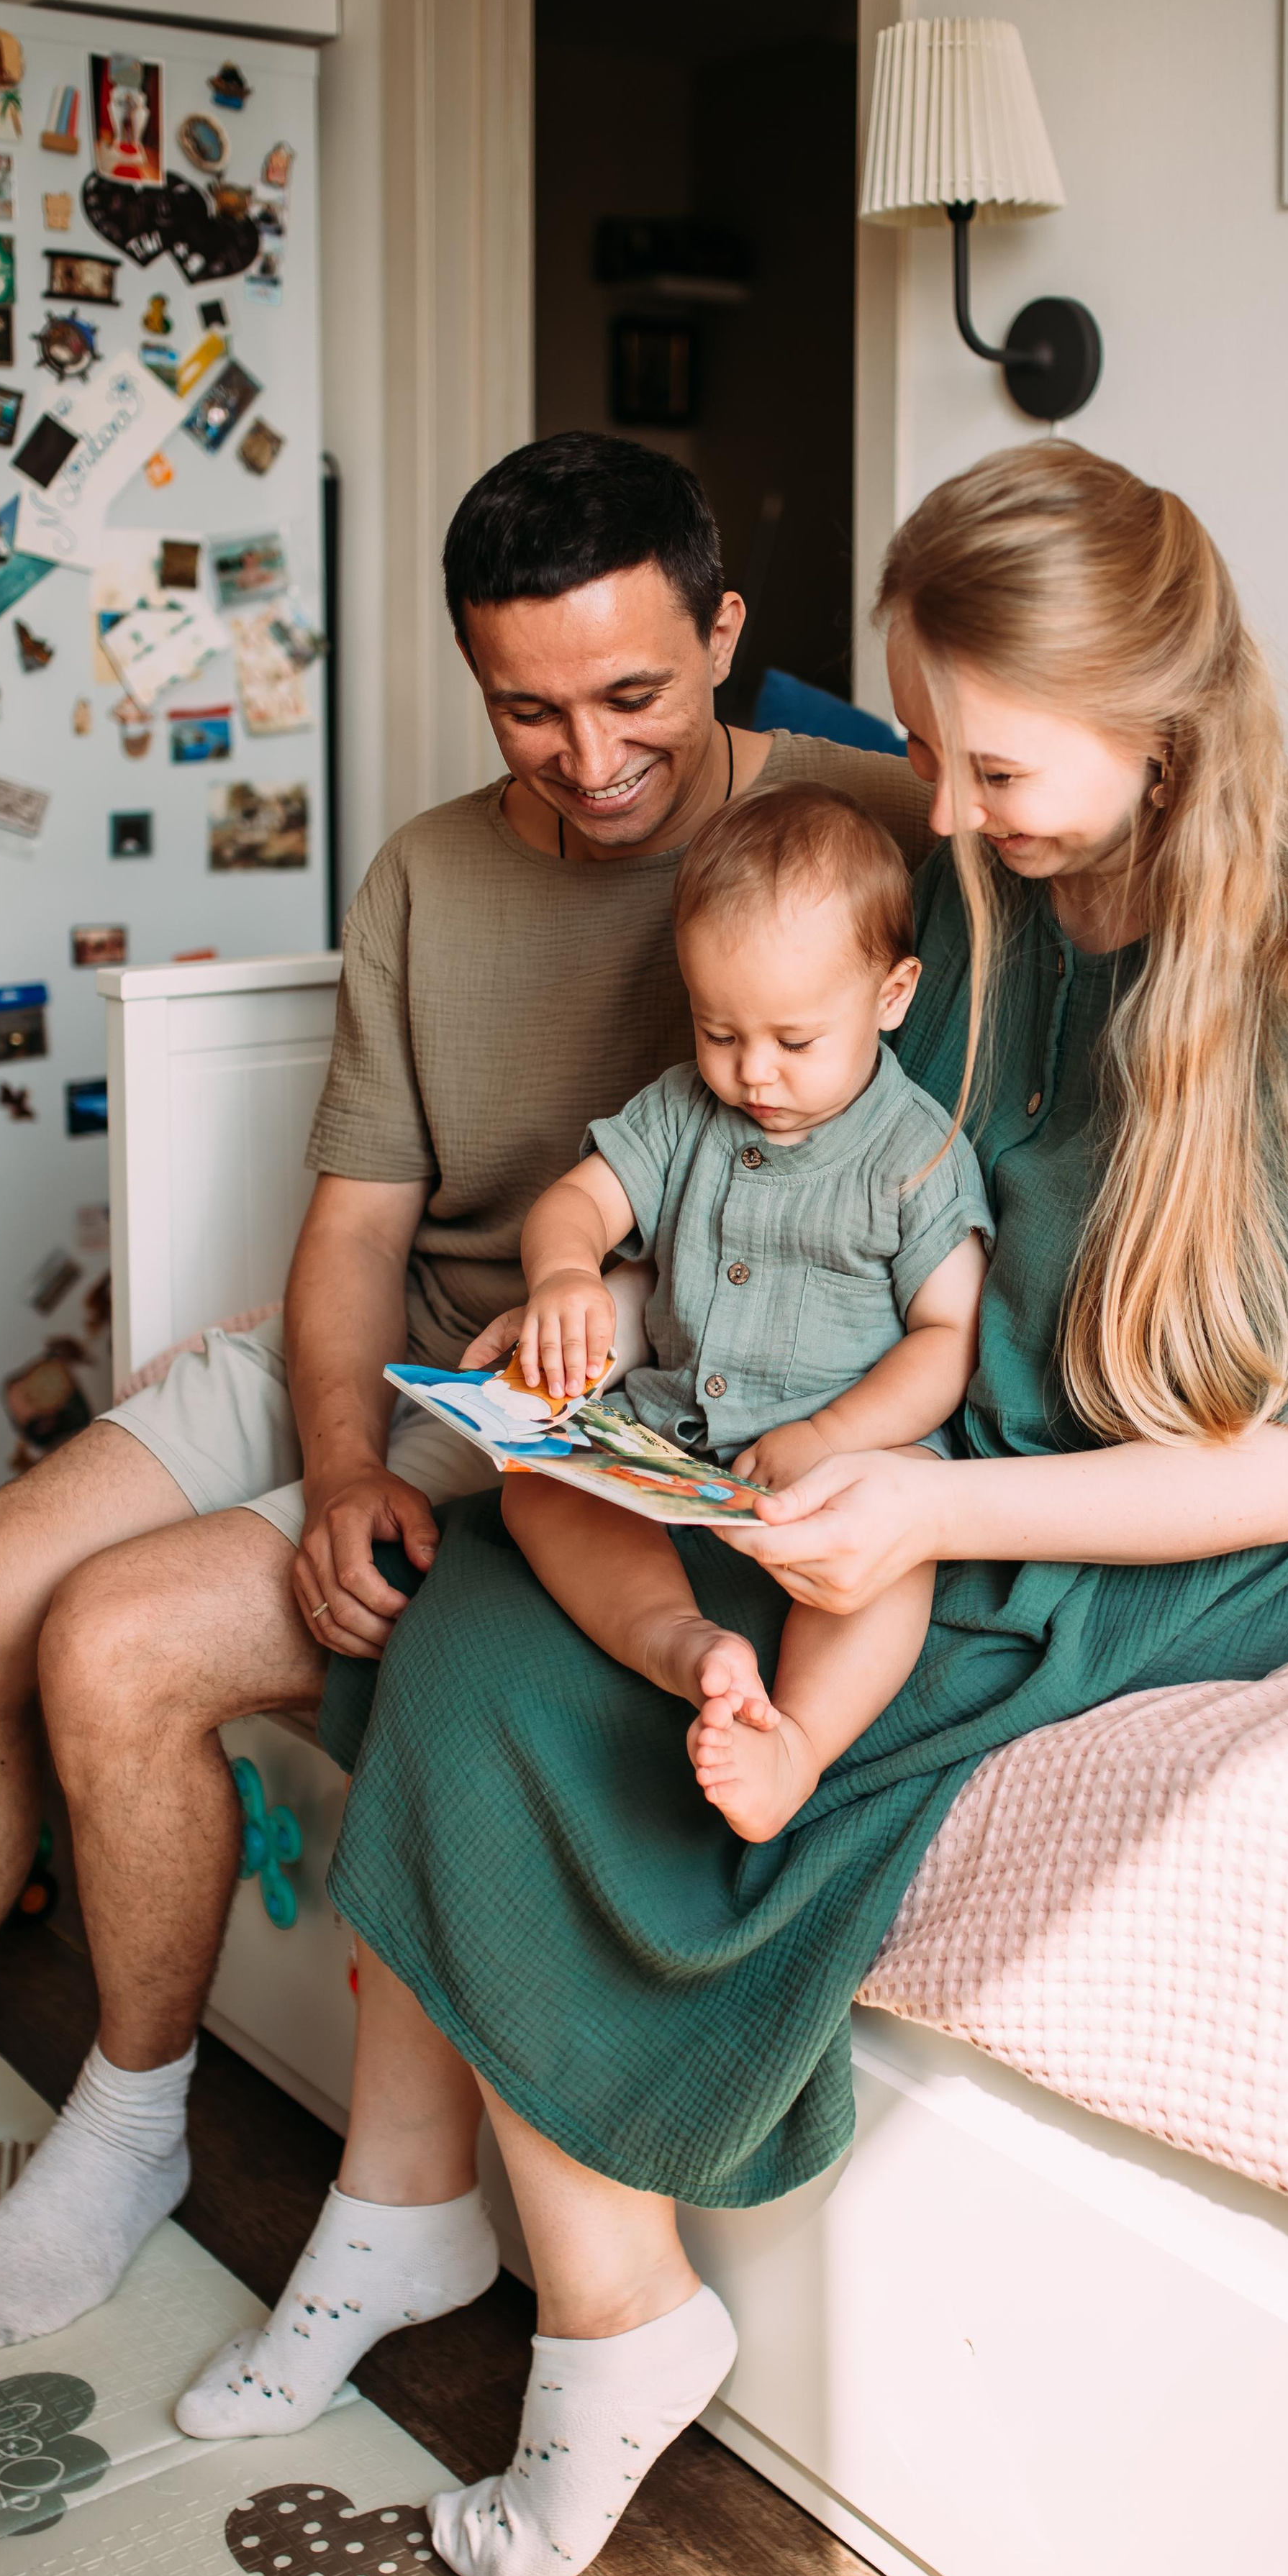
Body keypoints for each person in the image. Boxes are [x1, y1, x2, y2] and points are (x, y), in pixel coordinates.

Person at [175, 442, 1288, 2576]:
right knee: (489, 1587)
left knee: (569, 1695)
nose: (942, 811)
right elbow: (784, 1167)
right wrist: (611, 1334)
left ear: (1156, 727)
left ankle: (599, 2332)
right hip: (915, 1446)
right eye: (925, 750)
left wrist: (925, 1506)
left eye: (991, 767)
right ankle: (539, 2269)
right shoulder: (979, 900)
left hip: (1135, 1535)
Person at [0, 433, 934, 2336]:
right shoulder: (429, 873)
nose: (589, 757)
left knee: (114, 1641)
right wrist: (345, 1453)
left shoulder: (864, 821)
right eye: (527, 710)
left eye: (634, 696)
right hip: (390, 1360)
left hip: (556, 1409)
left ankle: (127, 2133)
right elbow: (358, 1228)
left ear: (723, 634)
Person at [502, 781, 989, 1841]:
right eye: (718, 1030)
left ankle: (797, 1741)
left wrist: (831, 1435)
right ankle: (683, 1644)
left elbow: (948, 1340)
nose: (753, 1073)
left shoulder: (917, 1154)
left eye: (795, 1042)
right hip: (667, 1443)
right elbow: (576, 1204)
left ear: (893, 994)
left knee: (895, 1558)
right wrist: (566, 1274)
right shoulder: (686, 1107)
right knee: (536, 1490)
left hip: (838, 1461)